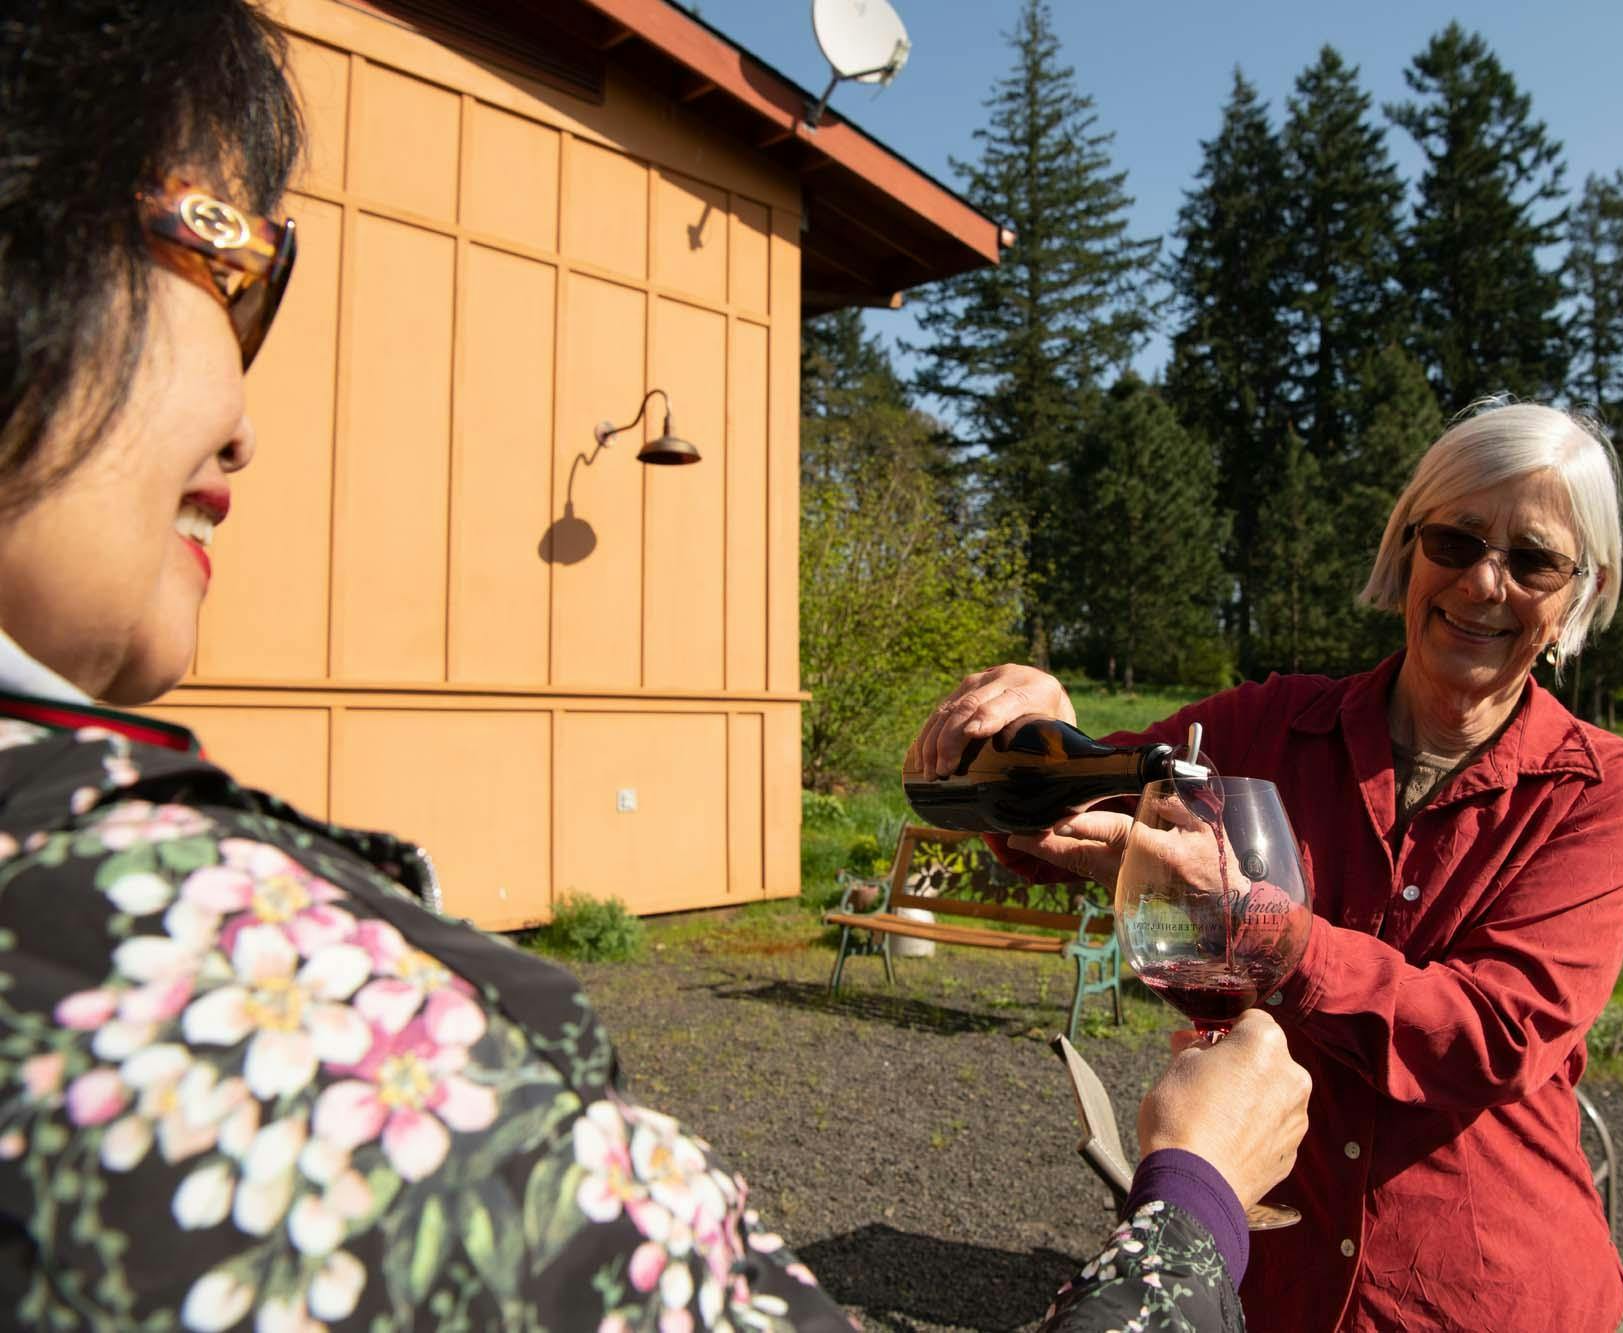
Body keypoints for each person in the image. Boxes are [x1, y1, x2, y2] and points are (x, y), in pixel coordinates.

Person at [0, 3, 1308, 1329]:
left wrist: (1161, 842)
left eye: (1531, 559)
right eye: (236, 265)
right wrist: (1195, 1201)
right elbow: (1136, 809)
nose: (244, 423)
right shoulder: (191, 982)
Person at [912, 401, 1623, 1332]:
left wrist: (1260, 928)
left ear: (1582, 592)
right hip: (1279, 1285)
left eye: (1534, 559)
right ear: (1408, 548)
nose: (1485, 582)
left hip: (1491, 1294)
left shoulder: (1608, 791)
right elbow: (1085, 797)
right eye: (1457, 538)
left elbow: (1492, 1034)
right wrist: (1037, 717)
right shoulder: (1270, 727)